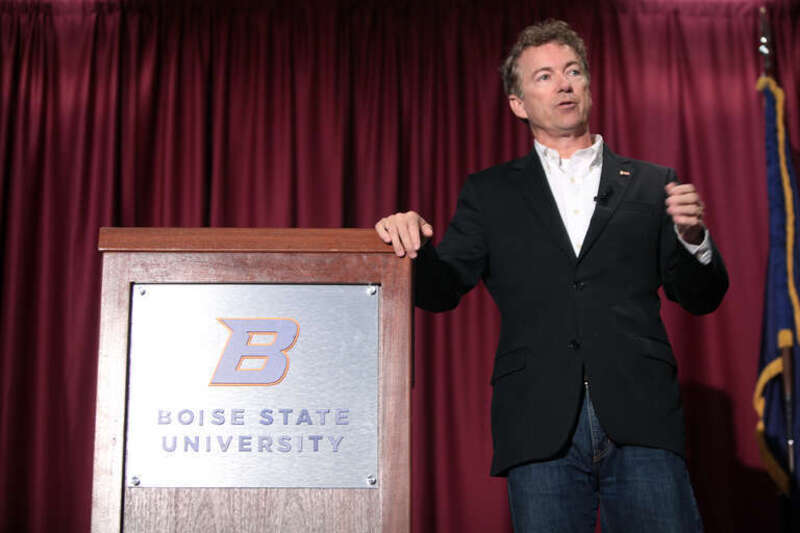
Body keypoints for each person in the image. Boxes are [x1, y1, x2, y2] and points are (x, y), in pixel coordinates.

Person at [374, 19, 728, 533]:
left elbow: (699, 298)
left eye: (573, 71)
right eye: (544, 76)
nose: (563, 83)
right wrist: (410, 245)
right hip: (538, 421)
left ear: (587, 84)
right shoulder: (490, 192)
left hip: (642, 414)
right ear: (518, 103)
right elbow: (441, 289)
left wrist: (694, 239)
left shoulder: (653, 184)